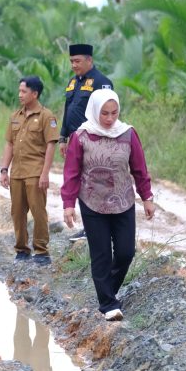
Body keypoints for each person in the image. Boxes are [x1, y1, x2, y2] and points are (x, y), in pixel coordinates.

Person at [60, 89, 156, 321]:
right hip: (92, 202)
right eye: (104, 113)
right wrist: (68, 203)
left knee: (125, 252)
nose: (110, 118)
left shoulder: (127, 133)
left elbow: (139, 168)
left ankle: (108, 291)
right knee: (101, 254)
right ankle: (108, 304)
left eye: (114, 113)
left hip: (123, 200)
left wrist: (147, 198)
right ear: (95, 111)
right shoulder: (81, 136)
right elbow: (71, 172)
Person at [0, 76, 59, 265]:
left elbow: (51, 146)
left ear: (35, 93)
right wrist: (3, 170)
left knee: (38, 212)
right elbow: (9, 144)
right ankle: (22, 250)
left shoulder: (46, 117)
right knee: (17, 212)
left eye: (24, 91)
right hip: (17, 172)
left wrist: (45, 173)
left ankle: (41, 251)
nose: (20, 95)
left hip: (35, 172)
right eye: (19, 91)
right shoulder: (15, 116)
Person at [59, 43, 114, 242]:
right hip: (74, 140)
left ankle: (103, 226)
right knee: (79, 182)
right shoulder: (73, 83)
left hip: (93, 141)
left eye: (78, 61)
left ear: (89, 60)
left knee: (96, 181)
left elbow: (107, 115)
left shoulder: (102, 82)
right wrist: (63, 137)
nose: (74, 65)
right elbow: (68, 110)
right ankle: (87, 227)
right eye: (71, 61)